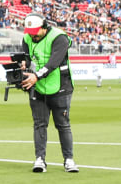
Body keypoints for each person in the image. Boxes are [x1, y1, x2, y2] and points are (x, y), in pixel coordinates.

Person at [19, 13, 77, 174]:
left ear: (44, 27)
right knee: (39, 124)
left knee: (63, 124)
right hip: (37, 87)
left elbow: (54, 62)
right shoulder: (27, 37)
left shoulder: (60, 38)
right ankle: (40, 159)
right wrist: (23, 64)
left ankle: (69, 160)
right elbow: (27, 56)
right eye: (30, 32)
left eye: (36, 31)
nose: (33, 35)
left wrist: (36, 76)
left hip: (60, 86)